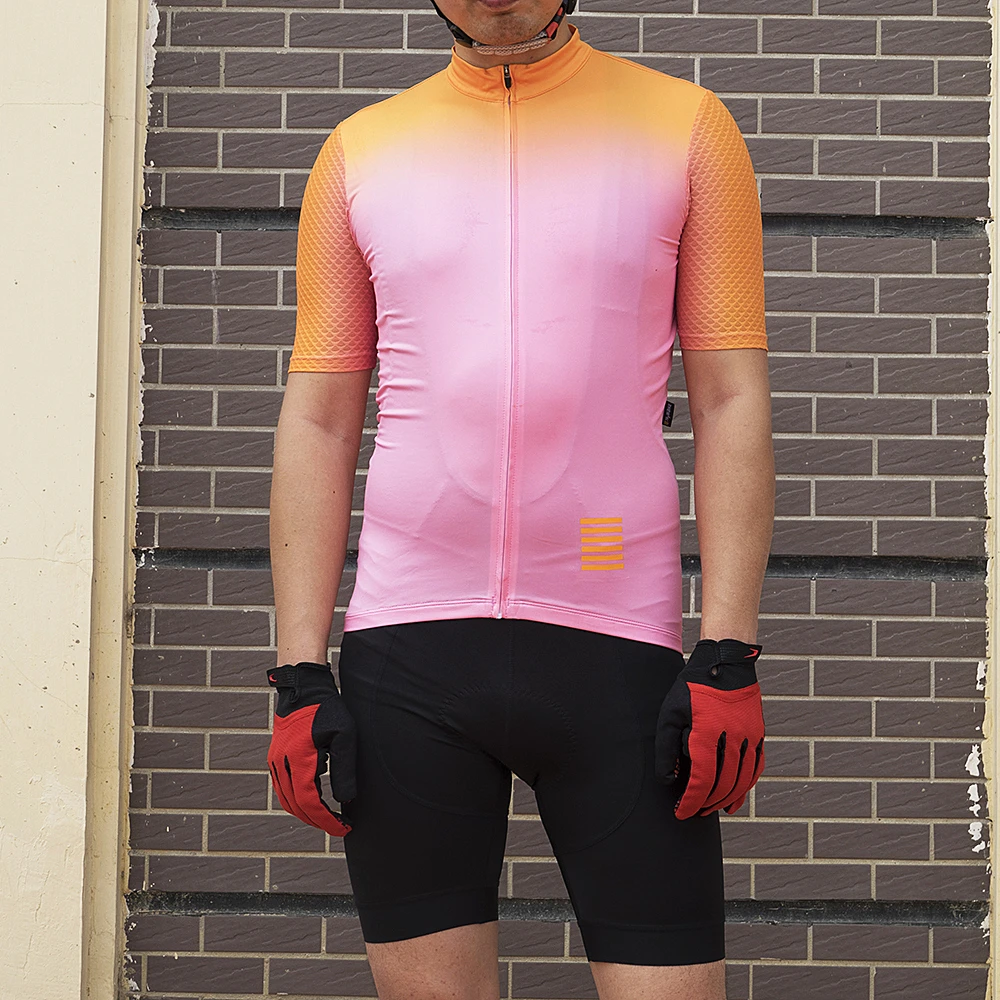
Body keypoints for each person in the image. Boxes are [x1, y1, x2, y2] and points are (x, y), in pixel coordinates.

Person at [264, 0, 775, 994]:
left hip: (614, 635)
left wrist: (728, 649)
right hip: (409, 647)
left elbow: (730, 398)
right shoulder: (360, 151)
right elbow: (319, 419)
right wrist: (297, 668)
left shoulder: (685, 127)